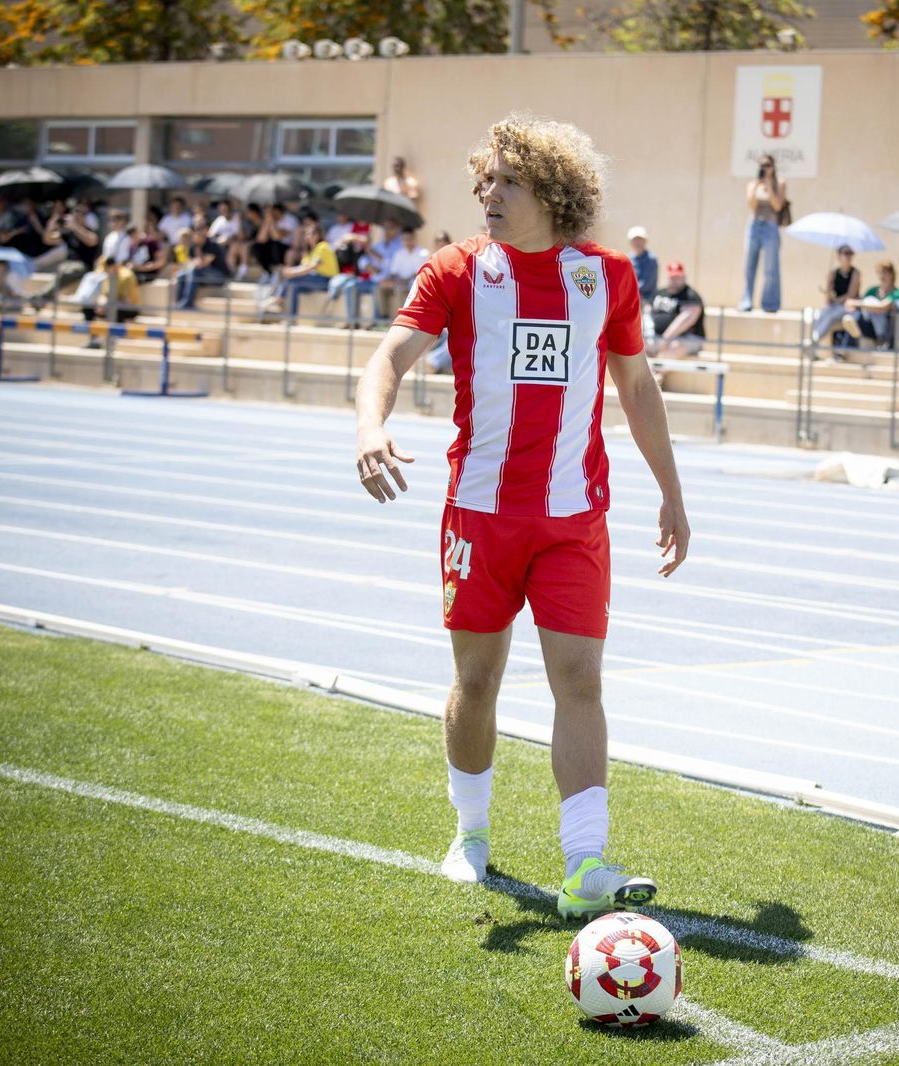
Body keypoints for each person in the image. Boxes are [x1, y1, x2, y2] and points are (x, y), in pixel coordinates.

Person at [355, 114, 689, 919]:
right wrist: (370, 427)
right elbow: (388, 358)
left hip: (574, 519)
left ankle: (587, 864)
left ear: (552, 189)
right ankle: (470, 837)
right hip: (480, 517)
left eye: (505, 180)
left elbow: (637, 388)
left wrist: (673, 493)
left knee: (579, 679)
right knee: (477, 681)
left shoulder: (606, 276)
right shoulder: (458, 269)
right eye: (484, 180)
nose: (487, 193)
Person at [260, 216, 337, 320]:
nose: (309, 236)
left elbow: (312, 267)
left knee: (291, 279)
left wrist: (292, 272)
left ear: (318, 235)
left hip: (326, 280)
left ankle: (277, 299)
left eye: (312, 234)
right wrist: (290, 271)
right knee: (293, 287)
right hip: (315, 280)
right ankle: (292, 318)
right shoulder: (310, 251)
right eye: (307, 234)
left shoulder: (323, 246)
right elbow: (303, 267)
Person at [739, 154, 785, 312]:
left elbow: (777, 206)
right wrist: (757, 186)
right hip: (754, 225)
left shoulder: (779, 183)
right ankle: (746, 301)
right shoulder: (753, 184)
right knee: (749, 266)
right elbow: (751, 204)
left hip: (771, 226)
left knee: (771, 268)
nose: (765, 168)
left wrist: (769, 185)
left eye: (768, 165)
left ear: (773, 166)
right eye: (762, 165)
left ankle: (770, 303)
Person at [647, 260, 706, 357]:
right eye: (672, 277)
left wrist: (665, 339)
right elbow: (647, 313)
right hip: (657, 336)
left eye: (678, 277)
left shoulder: (690, 296)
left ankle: (657, 371)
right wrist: (649, 336)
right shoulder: (660, 293)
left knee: (674, 347)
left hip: (687, 338)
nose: (675, 280)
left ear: (684, 277)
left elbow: (687, 319)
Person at [840, 259, 899, 351]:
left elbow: (882, 307)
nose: (882, 276)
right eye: (880, 272)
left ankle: (848, 345)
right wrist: (851, 303)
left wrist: (857, 303)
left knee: (869, 303)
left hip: (883, 330)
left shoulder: (896, 293)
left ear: (892, 274)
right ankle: (845, 348)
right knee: (854, 318)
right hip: (867, 324)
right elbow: (859, 304)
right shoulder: (873, 290)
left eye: (885, 272)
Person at [77, 256, 139, 347]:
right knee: (88, 308)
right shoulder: (107, 275)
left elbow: (127, 301)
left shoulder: (126, 276)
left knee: (117, 310)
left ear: (113, 266)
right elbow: (104, 295)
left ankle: (115, 340)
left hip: (129, 308)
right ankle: (95, 341)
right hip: (112, 305)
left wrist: (108, 305)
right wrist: (102, 305)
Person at [811, 245, 861, 349]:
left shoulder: (855, 273)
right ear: (838, 256)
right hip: (836, 306)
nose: (848, 256)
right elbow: (828, 300)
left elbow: (851, 295)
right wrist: (828, 285)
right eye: (845, 253)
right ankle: (813, 342)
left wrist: (835, 300)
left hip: (849, 308)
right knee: (819, 315)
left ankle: (813, 342)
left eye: (850, 253)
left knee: (831, 317)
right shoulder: (834, 273)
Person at [171, 227, 230, 311]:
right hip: (201, 276)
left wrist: (196, 259)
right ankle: (179, 303)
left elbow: (202, 264)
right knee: (181, 275)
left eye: (199, 234)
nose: (196, 236)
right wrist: (195, 261)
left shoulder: (212, 245)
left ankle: (188, 303)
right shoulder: (193, 247)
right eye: (196, 234)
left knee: (195, 270)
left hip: (219, 278)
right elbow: (189, 264)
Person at [626, 225, 657, 304]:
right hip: (630, 297)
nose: (637, 242)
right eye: (635, 239)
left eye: (640, 239)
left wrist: (628, 290)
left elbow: (647, 285)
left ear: (645, 241)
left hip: (645, 300)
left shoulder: (651, 259)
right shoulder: (628, 258)